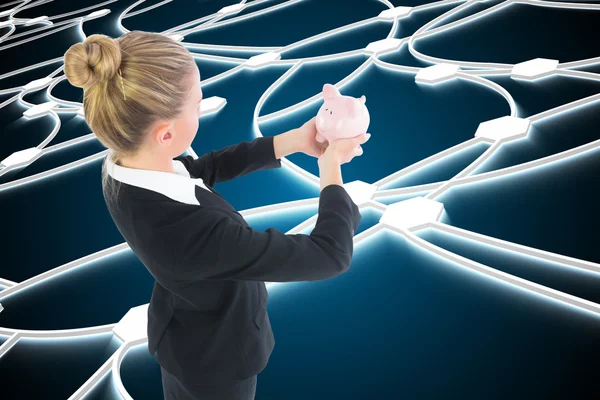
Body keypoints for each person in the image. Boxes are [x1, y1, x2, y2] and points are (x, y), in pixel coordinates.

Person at [63, 30, 370, 400]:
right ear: (164, 135)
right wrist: (332, 170)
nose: (200, 108)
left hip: (181, 335)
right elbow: (329, 255)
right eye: (196, 105)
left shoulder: (121, 164)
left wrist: (293, 141)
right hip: (220, 367)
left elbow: (199, 169)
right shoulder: (196, 235)